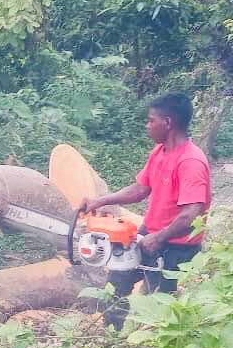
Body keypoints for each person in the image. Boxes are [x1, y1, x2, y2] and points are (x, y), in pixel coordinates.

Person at [79, 93, 212, 330]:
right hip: (148, 233)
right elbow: (141, 189)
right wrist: (98, 202)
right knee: (116, 285)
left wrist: (160, 237)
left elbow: (191, 213)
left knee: (158, 304)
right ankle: (110, 339)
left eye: (151, 120)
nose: (147, 125)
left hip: (177, 246)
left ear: (168, 123)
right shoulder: (160, 152)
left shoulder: (191, 162)